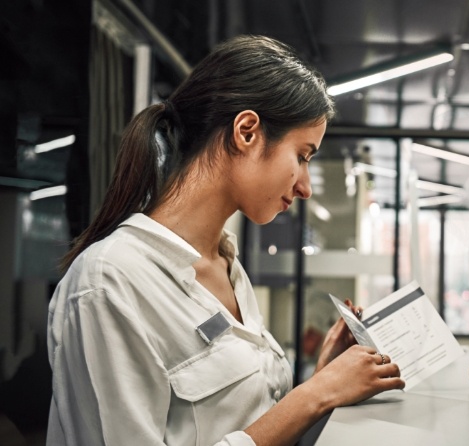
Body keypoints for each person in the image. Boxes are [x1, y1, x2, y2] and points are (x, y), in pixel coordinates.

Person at [47, 35, 404, 446]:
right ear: (247, 131)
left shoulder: (226, 265)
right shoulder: (109, 284)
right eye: (303, 156)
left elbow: (244, 420)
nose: (305, 186)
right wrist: (314, 396)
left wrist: (326, 379)